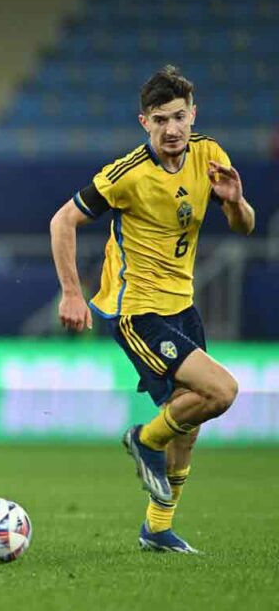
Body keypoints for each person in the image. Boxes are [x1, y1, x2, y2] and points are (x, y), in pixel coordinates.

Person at [50, 65, 254, 553]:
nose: (172, 129)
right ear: (145, 122)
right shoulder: (126, 175)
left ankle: (157, 529)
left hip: (183, 306)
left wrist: (236, 201)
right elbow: (63, 221)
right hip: (137, 311)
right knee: (222, 390)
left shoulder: (209, 155)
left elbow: (244, 227)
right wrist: (72, 292)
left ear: (193, 114)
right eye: (160, 119)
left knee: (191, 422)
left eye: (180, 117)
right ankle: (144, 440)